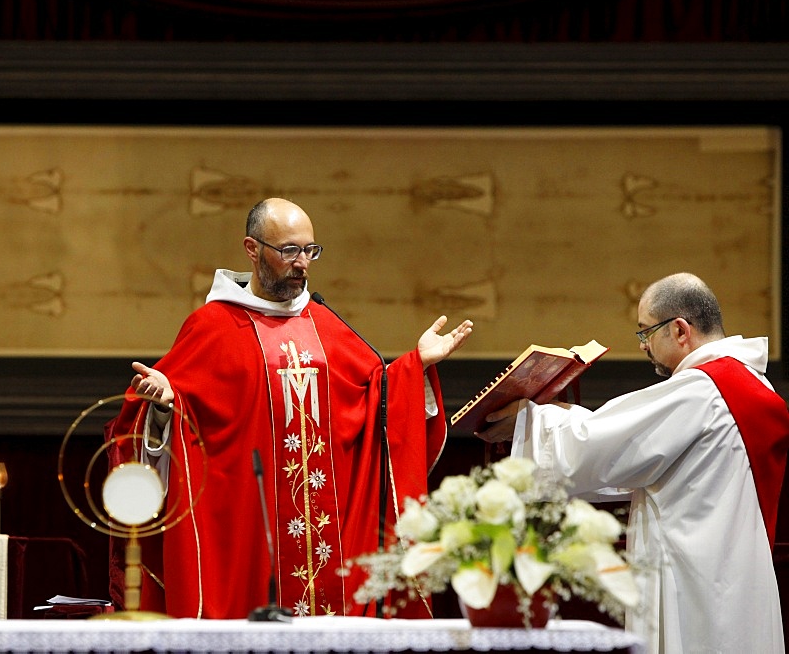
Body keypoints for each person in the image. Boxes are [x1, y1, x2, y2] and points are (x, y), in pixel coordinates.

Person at [104, 197, 473, 619]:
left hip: (333, 555)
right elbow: (154, 421)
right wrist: (165, 410)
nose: (303, 264)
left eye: (310, 251)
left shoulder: (326, 323)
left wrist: (415, 366)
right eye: (290, 251)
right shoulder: (213, 328)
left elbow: (374, 400)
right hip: (249, 551)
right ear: (252, 248)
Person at [478, 272, 789, 654]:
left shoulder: (705, 389)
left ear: (679, 330)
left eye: (645, 332)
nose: (643, 345)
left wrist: (530, 420)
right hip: (733, 576)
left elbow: (596, 447)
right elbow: (636, 456)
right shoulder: (751, 383)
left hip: (694, 583)